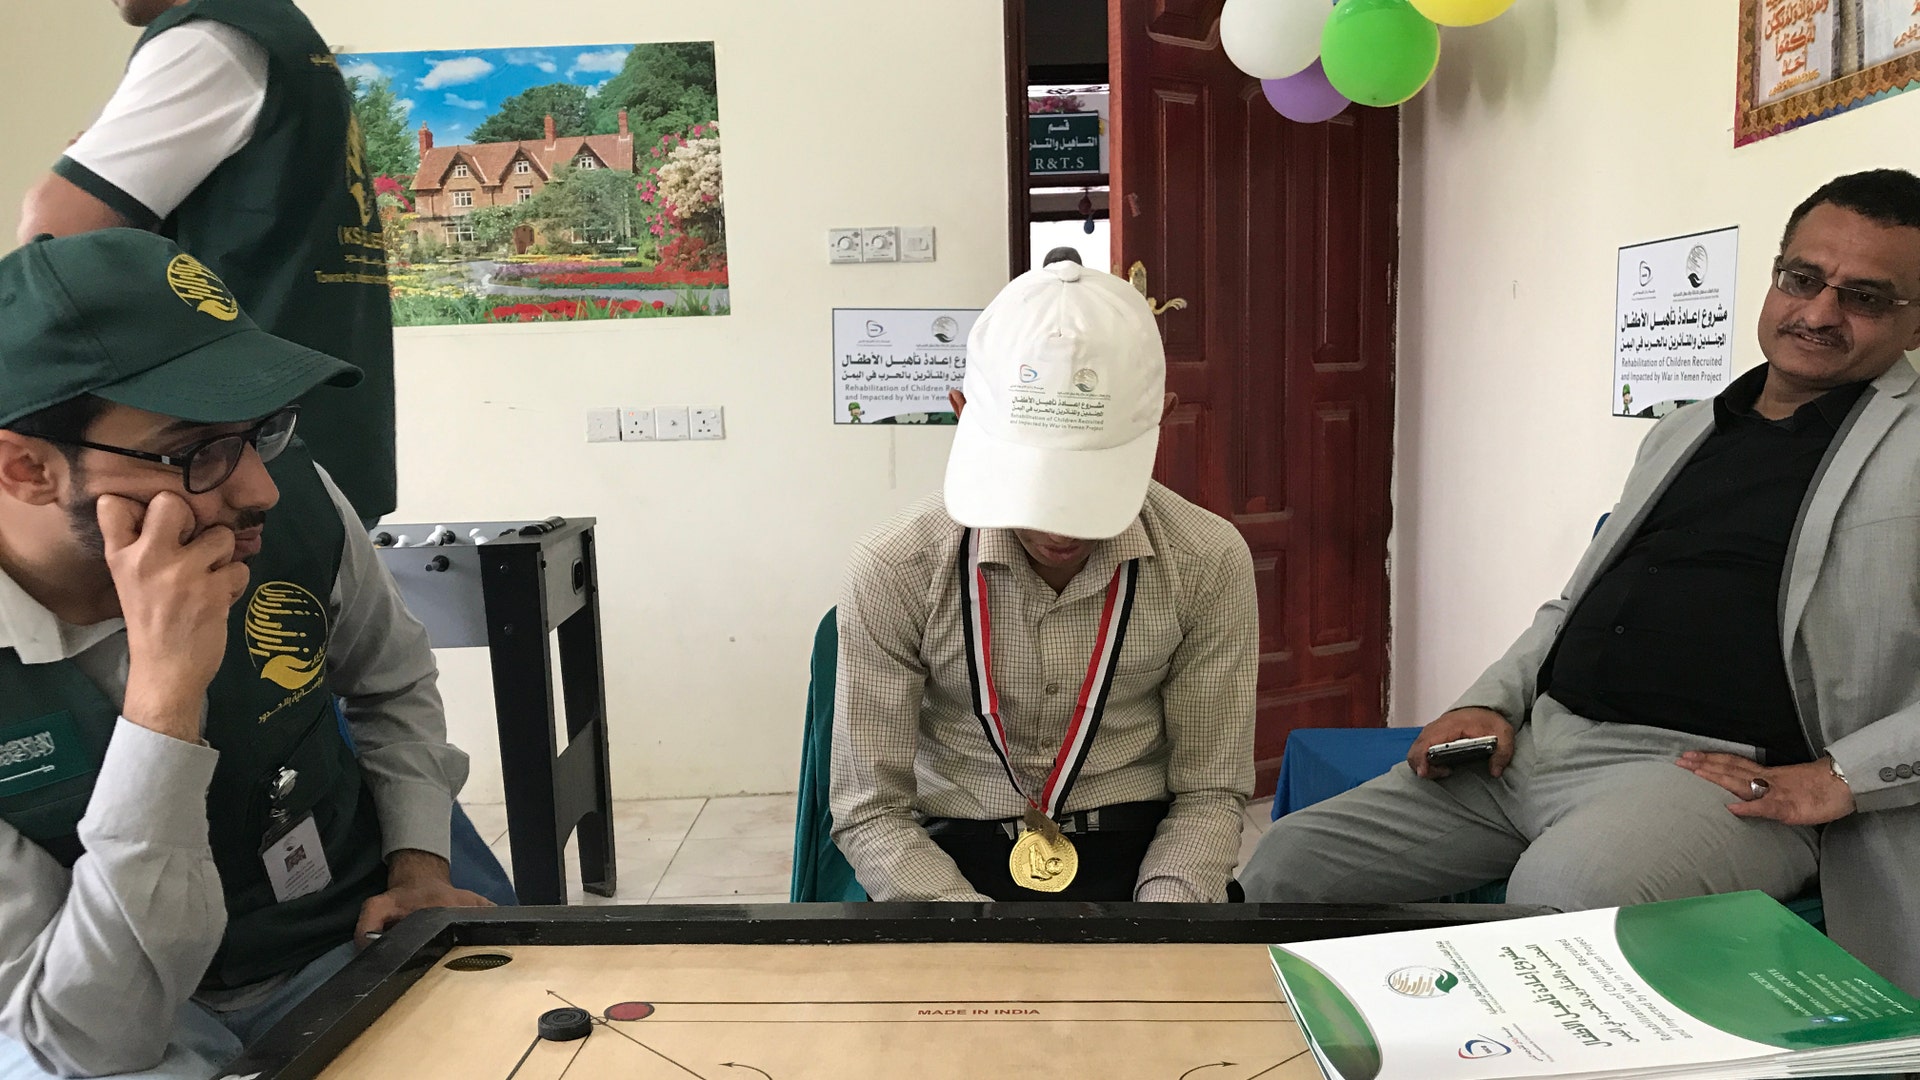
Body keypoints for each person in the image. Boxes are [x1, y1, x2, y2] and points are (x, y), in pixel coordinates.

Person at [1242, 169, 1920, 993]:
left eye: (1866, 297)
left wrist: (1841, 777)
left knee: (1559, 904)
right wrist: (1491, 699)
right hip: (1537, 747)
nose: (1817, 313)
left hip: (1705, 780)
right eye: (1803, 279)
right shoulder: (1686, 429)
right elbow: (1573, 605)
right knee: (1287, 867)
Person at [0, 229, 484, 1080]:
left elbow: (394, 680)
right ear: (28, 469)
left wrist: (417, 864)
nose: (258, 486)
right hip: (131, 1026)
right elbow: (86, 1036)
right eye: (195, 451)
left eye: (259, 431)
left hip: (343, 931)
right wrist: (164, 697)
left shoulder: (293, 500)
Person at [830, 258, 1257, 903]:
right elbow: (870, 808)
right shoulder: (897, 566)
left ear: (1160, 419)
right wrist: (973, 936)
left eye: (1088, 487)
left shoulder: (1208, 559)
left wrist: (1162, 924)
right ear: (961, 411)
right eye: (1032, 483)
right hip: (949, 856)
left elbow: (1210, 789)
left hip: (1144, 851)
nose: (1060, 529)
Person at [17, 0, 397, 527]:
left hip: (216, 465)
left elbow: (53, 236)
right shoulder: (287, 44)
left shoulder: (211, 40)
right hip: (295, 454)